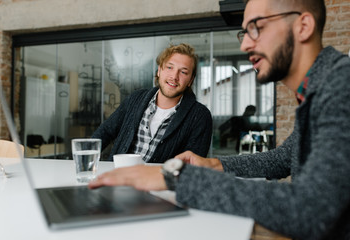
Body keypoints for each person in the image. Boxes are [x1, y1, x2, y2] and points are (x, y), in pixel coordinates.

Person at [89, 0, 350, 239]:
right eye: (244, 33)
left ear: (303, 26)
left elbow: (313, 211)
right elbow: (281, 160)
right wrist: (214, 164)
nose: (245, 44)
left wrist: (178, 177)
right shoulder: (318, 91)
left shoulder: (341, 86)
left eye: (256, 28)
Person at [92, 43, 212, 163]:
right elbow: (105, 132)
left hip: (160, 181)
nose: (174, 77)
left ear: (190, 80)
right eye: (170, 67)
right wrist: (88, 162)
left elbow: (193, 166)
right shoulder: (135, 99)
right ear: (159, 71)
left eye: (183, 72)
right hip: (118, 176)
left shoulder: (200, 116)